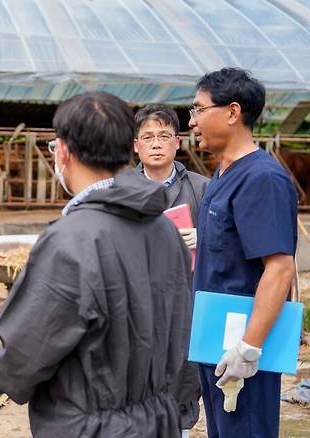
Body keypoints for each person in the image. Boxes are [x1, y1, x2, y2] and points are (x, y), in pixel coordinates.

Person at [0, 91, 192, 437]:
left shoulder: (71, 239)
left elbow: (37, 333)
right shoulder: (165, 230)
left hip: (89, 424)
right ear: (130, 149)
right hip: (155, 418)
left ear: (63, 152)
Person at [189, 68, 297, 437]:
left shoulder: (261, 178)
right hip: (215, 342)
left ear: (233, 113)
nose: (192, 122)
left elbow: (280, 268)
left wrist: (249, 349)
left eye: (199, 109)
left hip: (241, 348)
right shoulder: (222, 174)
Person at [134, 104, 208, 435]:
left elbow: (228, 241)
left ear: (178, 142)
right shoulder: (120, 190)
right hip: (136, 303)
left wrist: (204, 239)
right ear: (136, 145)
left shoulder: (203, 188)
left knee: (182, 380)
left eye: (164, 135)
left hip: (186, 303)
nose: (156, 143)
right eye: (147, 136)